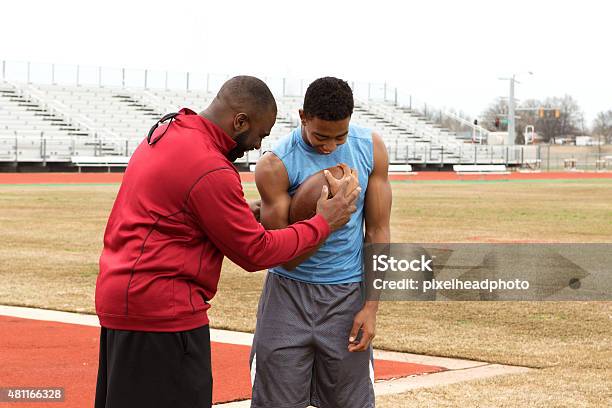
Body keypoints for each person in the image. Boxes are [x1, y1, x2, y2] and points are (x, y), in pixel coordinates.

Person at [94, 75, 360, 408]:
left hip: (124, 303)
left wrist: (239, 212)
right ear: (240, 121)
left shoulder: (168, 131)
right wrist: (323, 222)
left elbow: (176, 212)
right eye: (259, 135)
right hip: (163, 316)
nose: (257, 145)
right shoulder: (211, 167)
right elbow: (256, 252)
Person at [251, 77, 392, 408]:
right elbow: (284, 255)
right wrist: (326, 221)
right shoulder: (275, 164)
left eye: (339, 137)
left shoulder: (371, 148)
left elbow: (378, 232)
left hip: (347, 296)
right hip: (288, 294)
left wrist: (371, 307)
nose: (330, 146)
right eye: (320, 136)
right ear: (302, 116)